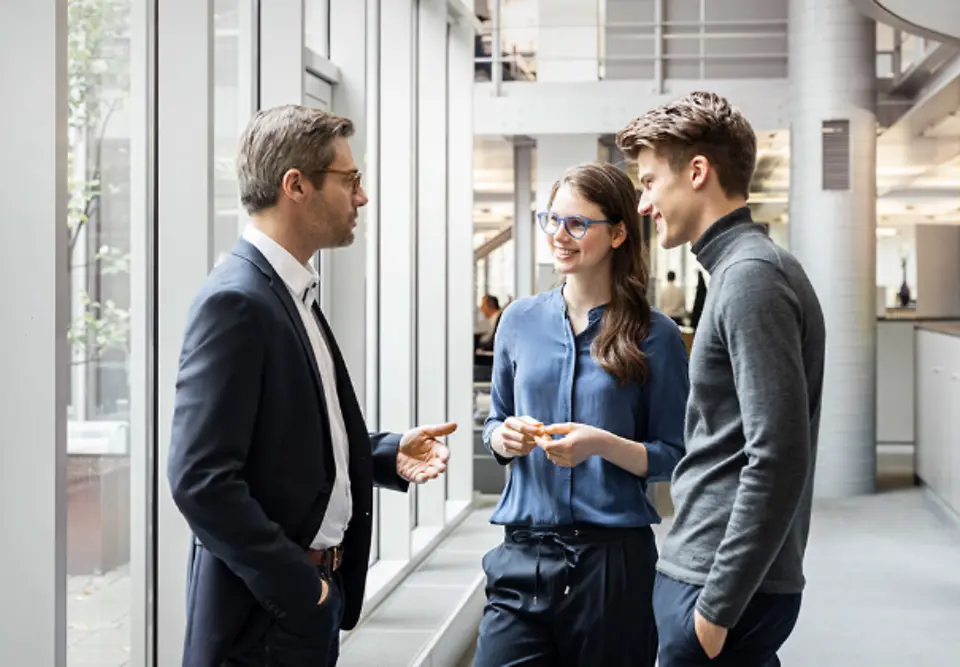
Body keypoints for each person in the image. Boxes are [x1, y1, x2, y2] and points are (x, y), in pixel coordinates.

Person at [167, 105, 454, 667]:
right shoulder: (237, 301)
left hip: (298, 608)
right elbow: (200, 480)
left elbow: (285, 442)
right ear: (295, 185)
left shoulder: (289, 292)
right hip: (263, 618)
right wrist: (302, 589)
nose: (362, 197)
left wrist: (384, 453)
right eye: (350, 181)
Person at [617, 91, 826, 666]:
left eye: (650, 181)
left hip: (719, 584)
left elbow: (778, 454)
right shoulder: (741, 270)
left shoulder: (751, 277)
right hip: (716, 575)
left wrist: (715, 611)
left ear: (699, 172)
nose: (643, 203)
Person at [474, 162, 690, 667]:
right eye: (552, 220)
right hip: (522, 554)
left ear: (617, 233)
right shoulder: (519, 321)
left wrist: (600, 444)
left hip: (611, 562)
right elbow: (495, 421)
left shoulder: (655, 335)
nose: (559, 236)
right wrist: (502, 438)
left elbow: (675, 456)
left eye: (577, 224)